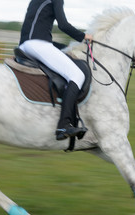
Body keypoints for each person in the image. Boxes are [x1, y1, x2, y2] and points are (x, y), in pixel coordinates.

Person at [19, 0, 93, 141]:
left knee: (64, 50)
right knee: (77, 75)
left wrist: (64, 46)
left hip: (25, 44)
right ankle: (63, 125)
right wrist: (83, 37)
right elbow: (63, 25)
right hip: (38, 44)